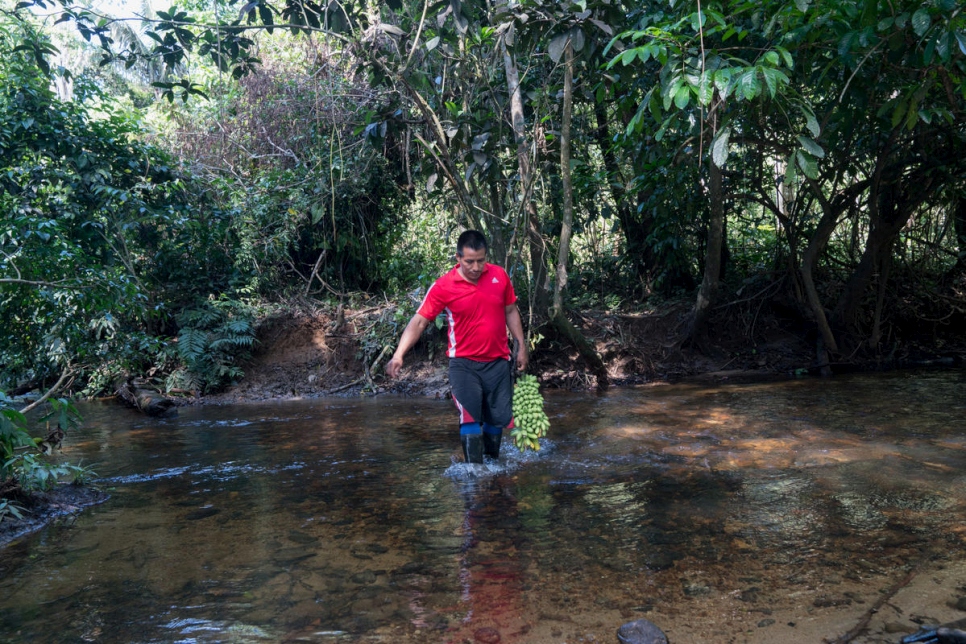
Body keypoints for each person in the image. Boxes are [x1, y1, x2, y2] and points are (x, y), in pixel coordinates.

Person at [386, 230, 528, 463]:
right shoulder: (444, 286)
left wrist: (521, 345)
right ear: (458, 258)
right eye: (469, 261)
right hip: (464, 365)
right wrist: (399, 355)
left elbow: (510, 310)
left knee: (496, 419)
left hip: (498, 361)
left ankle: (493, 471)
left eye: (480, 261)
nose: (475, 267)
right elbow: (420, 320)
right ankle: (475, 473)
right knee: (470, 417)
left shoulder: (499, 276)